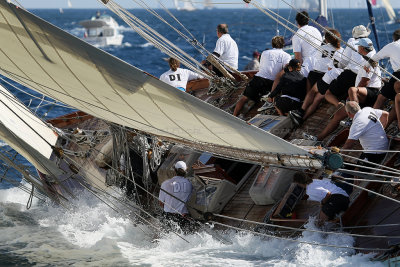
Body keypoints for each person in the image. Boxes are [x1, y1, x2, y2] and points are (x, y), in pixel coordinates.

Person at [289, 29, 344, 124]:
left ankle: (301, 111)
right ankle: (302, 119)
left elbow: (317, 60)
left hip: (314, 74)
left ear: (326, 39)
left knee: (310, 92)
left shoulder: (321, 47)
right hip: (326, 77)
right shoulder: (341, 51)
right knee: (316, 100)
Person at [233, 36, 291, 117]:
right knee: (272, 99)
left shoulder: (264, 53)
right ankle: (282, 116)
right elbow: (285, 70)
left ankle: (234, 116)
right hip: (271, 83)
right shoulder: (287, 56)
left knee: (244, 98)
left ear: (272, 44)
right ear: (283, 44)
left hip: (258, 79)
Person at [324, 25, 373, 109]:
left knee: (328, 94)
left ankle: (339, 106)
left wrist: (336, 64)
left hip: (350, 75)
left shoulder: (351, 43)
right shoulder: (370, 44)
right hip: (364, 77)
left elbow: (343, 63)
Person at [369, 29, 400, 131]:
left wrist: (366, 65)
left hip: (398, 75)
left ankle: (370, 123)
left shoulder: (392, 45)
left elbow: (375, 58)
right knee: (398, 102)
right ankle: (384, 127)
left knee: (382, 97)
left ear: (394, 38)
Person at [342, 101, 388, 166]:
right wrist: (381, 130)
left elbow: (348, 145)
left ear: (348, 113)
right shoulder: (367, 109)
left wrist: (339, 159)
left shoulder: (357, 123)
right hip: (381, 145)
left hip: (375, 151)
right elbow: (385, 114)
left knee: (357, 174)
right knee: (357, 165)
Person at [292, 11, 323, 77]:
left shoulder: (297, 36)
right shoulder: (316, 30)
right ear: (308, 20)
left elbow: (298, 58)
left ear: (297, 22)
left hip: (308, 67)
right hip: (320, 65)